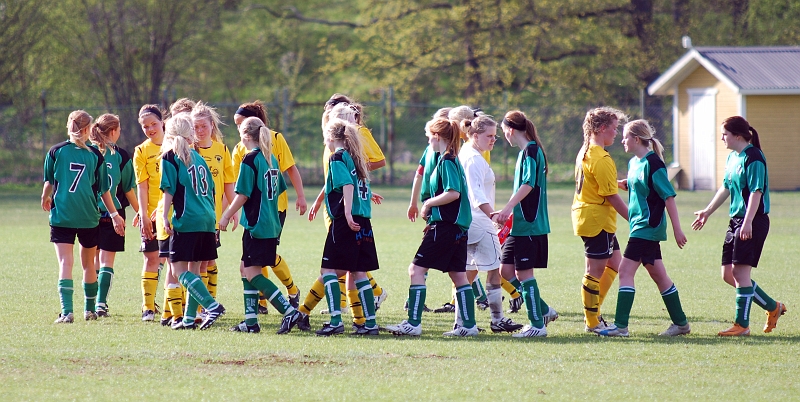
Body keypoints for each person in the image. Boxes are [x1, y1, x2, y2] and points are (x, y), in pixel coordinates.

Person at [692, 116, 786, 336]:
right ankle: (773, 307)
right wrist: (707, 211)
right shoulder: (733, 157)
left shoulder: (754, 157)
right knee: (728, 274)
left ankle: (741, 325)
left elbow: (756, 192)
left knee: (740, 273)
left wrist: (748, 222)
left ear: (737, 135)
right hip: (737, 220)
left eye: (724, 134)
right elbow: (725, 187)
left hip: (752, 220)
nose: (722, 138)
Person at [597, 120, 690, 337]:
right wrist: (624, 183)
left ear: (636, 139)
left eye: (625, 137)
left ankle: (620, 326)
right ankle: (681, 324)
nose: (622, 141)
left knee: (625, 271)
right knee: (659, 275)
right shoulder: (634, 163)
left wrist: (677, 229)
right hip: (639, 226)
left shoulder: (654, 164)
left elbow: (668, 196)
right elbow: (639, 183)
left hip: (647, 227)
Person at [385, 118, 478, 337]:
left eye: (429, 137)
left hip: (446, 227)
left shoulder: (446, 161)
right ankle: (468, 325)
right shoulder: (448, 159)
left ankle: (413, 323)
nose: (428, 141)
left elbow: (453, 193)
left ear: (437, 137)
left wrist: (428, 203)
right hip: (457, 228)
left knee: (416, 270)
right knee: (458, 275)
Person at [301, 99, 387, 331]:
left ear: (331, 137)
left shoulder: (338, 157)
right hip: (364, 220)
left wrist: (347, 214)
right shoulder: (356, 157)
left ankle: (335, 321)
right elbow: (358, 184)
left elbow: (347, 186)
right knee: (359, 272)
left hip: (346, 221)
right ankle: (369, 324)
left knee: (329, 271)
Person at [219, 116, 301, 334]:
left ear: (245, 135)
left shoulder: (250, 160)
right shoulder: (271, 158)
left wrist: (226, 215)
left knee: (253, 273)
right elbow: (279, 188)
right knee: (245, 268)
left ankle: (289, 310)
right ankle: (251, 322)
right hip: (271, 223)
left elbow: (243, 194)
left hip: (257, 225)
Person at [42, 110, 125, 323]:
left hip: (63, 215)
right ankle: (89, 310)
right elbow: (104, 191)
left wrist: (45, 197)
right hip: (89, 216)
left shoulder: (55, 151)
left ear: (68, 127)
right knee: (89, 264)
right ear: (88, 130)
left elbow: (49, 182)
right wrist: (115, 214)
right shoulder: (94, 155)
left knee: (65, 263)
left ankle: (67, 312)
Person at [492, 111, 556, 337]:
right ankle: (544, 310)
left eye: (502, 132)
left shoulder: (531, 151)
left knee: (523, 274)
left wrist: (508, 208)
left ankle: (537, 325)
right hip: (518, 225)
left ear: (510, 130)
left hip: (530, 225)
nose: (503, 137)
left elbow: (528, 185)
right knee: (505, 270)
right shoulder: (524, 153)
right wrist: (508, 212)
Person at [457, 114, 523, 334]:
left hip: (467, 222)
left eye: (495, 136)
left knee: (466, 274)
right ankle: (497, 319)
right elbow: (476, 194)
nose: (494, 140)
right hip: (480, 222)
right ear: (475, 135)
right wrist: (493, 216)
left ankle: (462, 322)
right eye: (489, 136)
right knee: (494, 271)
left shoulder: (468, 153)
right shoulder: (474, 158)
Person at [159, 114, 225, 330]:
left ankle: (211, 305)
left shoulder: (170, 157)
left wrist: (164, 215)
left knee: (178, 271)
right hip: (207, 219)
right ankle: (188, 320)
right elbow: (212, 190)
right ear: (191, 134)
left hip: (188, 220)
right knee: (194, 271)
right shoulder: (198, 157)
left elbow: (169, 190)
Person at [572, 107, 629, 333]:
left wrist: (616, 183)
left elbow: (597, 185)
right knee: (594, 270)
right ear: (602, 128)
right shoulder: (601, 156)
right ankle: (592, 321)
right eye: (614, 129)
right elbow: (609, 195)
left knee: (615, 263)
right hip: (596, 219)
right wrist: (633, 219)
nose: (616, 133)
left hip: (591, 215)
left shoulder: (586, 150)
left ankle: (594, 312)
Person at [89, 114, 139, 317]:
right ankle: (101, 303)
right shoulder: (121, 155)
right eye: (119, 130)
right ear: (113, 131)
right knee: (107, 261)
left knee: (92, 261)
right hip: (114, 214)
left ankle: (90, 304)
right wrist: (141, 213)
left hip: (90, 213)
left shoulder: (88, 153)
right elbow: (128, 189)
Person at [191, 102, 235, 302]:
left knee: (208, 260)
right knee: (197, 263)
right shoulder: (189, 150)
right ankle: (201, 306)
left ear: (212, 126)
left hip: (213, 217)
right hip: (194, 215)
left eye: (204, 126)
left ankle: (207, 303)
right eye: (195, 127)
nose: (200, 131)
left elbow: (228, 183)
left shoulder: (222, 150)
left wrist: (233, 210)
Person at [133, 104, 167, 321]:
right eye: (145, 126)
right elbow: (142, 185)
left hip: (171, 213)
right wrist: (144, 213)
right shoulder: (141, 151)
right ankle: (147, 307)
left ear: (162, 122)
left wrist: (163, 207)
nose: (150, 129)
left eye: (154, 124)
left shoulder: (175, 146)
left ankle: (173, 306)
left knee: (174, 260)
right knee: (151, 257)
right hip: (150, 214)